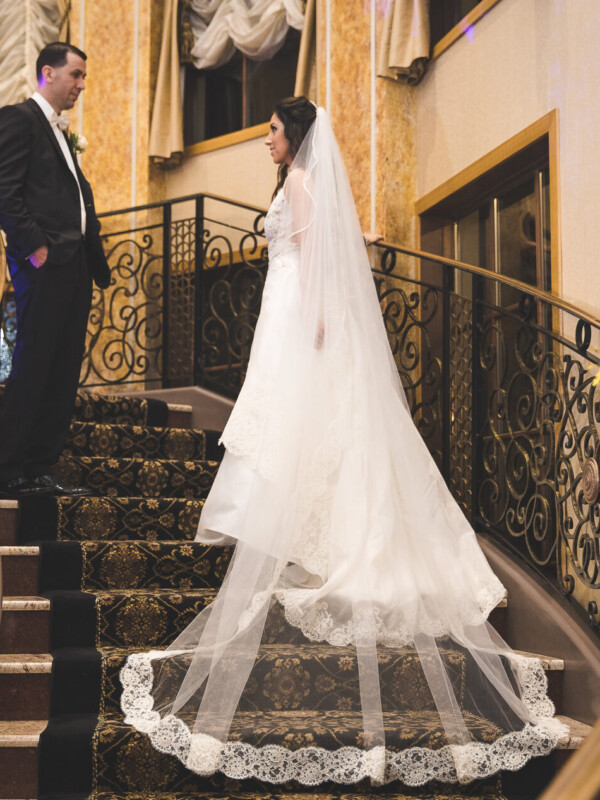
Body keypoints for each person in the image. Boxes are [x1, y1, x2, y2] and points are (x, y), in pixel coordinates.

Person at [121, 98, 566, 787]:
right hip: (288, 317)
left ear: (293, 135)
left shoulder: (300, 182)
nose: (265, 140)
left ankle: (325, 540)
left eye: (271, 130)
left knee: (307, 432)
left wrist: (317, 328)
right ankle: (312, 534)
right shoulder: (296, 182)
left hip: (301, 322)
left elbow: (319, 264)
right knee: (304, 435)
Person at [0, 42, 110, 498]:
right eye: (76, 75)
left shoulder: (63, 133)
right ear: (48, 73)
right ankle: (8, 469)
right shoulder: (18, 119)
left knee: (64, 368)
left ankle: (40, 468)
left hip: (75, 265)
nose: (82, 85)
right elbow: (5, 191)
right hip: (45, 264)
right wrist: (36, 248)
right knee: (36, 363)